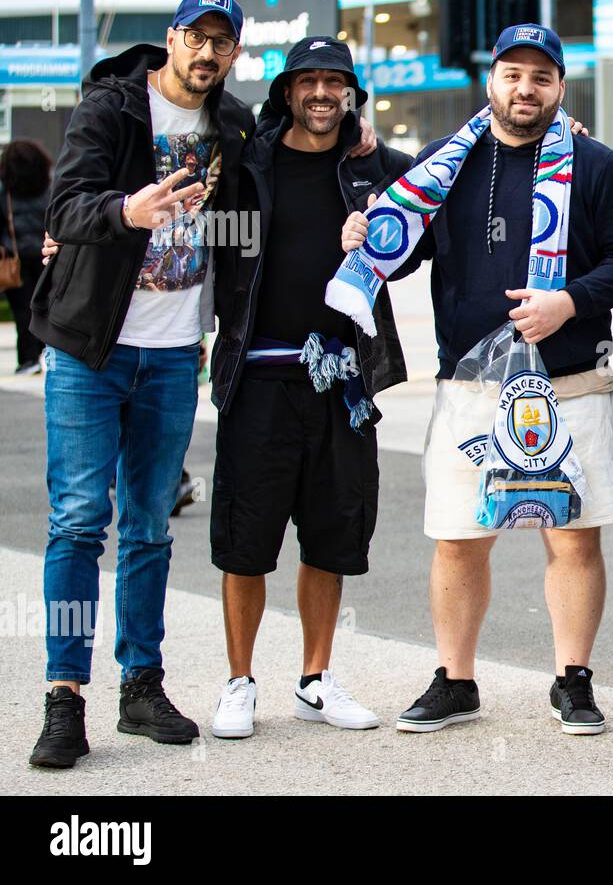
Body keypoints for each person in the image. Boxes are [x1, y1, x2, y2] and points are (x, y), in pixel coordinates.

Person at [340, 24, 613, 736]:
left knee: (571, 537)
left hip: (570, 382)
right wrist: (367, 238)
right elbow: (410, 254)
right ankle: (456, 680)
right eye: (513, 73)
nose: (526, 88)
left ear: (560, 88)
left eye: (541, 77)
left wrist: (569, 299)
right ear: (492, 80)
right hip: (469, 387)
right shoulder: (444, 166)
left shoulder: (596, 166)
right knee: (458, 537)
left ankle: (573, 680)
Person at [27, 0, 253, 769]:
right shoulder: (111, 109)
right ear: (172, 39)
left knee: (152, 525)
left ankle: (141, 685)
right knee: (80, 521)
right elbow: (63, 207)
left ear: (233, 53)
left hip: (171, 356)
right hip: (90, 347)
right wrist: (129, 210)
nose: (207, 53)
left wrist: (363, 141)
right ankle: (64, 696)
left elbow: (297, 159)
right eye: (197, 36)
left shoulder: (234, 124)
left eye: (222, 42)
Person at [207, 37, 413, 739]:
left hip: (344, 385)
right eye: (310, 81)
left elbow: (458, 187)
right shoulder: (249, 162)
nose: (323, 93)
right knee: (245, 542)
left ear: (352, 93)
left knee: (331, 537)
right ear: (287, 90)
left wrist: (560, 138)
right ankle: (239, 683)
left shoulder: (376, 169)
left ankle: (315, 680)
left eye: (337, 82)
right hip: (258, 379)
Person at [0, 139, 53, 374]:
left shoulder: (6, 192)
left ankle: (28, 358)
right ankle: (45, 347)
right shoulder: (48, 187)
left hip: (15, 257)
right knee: (46, 304)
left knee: (23, 309)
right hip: (45, 253)